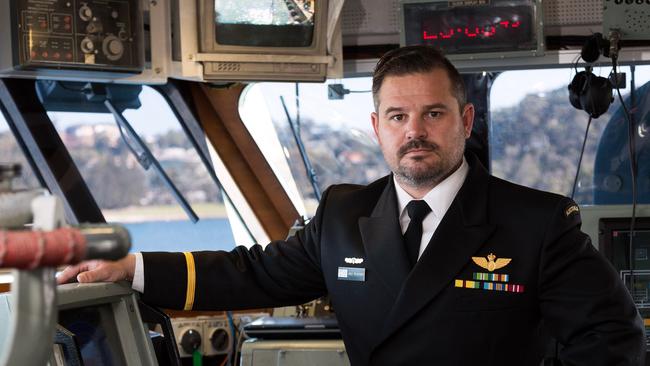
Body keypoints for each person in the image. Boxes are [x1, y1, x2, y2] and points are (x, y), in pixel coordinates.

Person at [58, 46, 645, 365]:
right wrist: (131, 271)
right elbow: (254, 274)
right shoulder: (343, 214)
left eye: (433, 114)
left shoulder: (536, 222)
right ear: (377, 128)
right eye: (398, 117)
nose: (415, 131)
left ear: (464, 122)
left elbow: (613, 340)